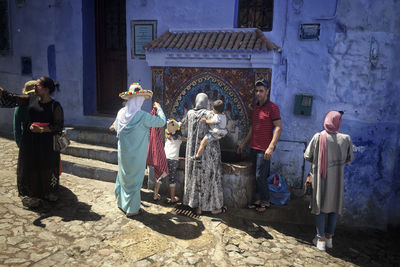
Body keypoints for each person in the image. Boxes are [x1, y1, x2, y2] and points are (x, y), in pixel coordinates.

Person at [0, 77, 63, 207]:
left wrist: (41, 129)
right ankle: (32, 195)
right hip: (30, 141)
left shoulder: (55, 106)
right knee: (31, 166)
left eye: (37, 86)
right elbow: (11, 98)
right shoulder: (30, 100)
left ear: (45, 89)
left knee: (48, 165)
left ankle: (49, 192)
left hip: (47, 142)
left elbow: (58, 126)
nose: (34, 88)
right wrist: (2, 92)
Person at [114, 82, 166, 217]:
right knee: (135, 181)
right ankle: (132, 210)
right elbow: (161, 122)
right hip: (137, 156)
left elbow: (115, 128)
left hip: (123, 153)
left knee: (125, 177)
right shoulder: (143, 116)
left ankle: (122, 204)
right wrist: (159, 109)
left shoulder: (120, 113)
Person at [304, 110, 353, 251]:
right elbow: (349, 160)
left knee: (320, 206)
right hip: (337, 180)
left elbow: (307, 156)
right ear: (338, 122)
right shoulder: (346, 139)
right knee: (334, 207)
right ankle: (329, 238)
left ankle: (320, 240)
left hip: (321, 178)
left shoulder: (319, 136)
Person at [237, 79, 282, 212]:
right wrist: (243, 144)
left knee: (260, 176)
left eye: (261, 91)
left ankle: (265, 200)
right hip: (254, 147)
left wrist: (271, 147)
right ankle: (258, 199)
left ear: (267, 92)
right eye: (256, 91)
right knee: (255, 176)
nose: (258, 93)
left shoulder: (273, 108)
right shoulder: (256, 107)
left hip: (264, 149)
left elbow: (278, 128)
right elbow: (253, 128)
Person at [182, 93, 225, 215]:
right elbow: (218, 131)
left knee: (194, 177)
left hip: (193, 153)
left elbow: (182, 127)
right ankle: (209, 207)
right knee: (209, 179)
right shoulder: (208, 114)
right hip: (208, 154)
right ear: (206, 103)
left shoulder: (190, 113)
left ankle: (196, 207)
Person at [153, 118, 186, 203]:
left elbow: (168, 130)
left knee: (160, 176)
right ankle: (172, 198)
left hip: (164, 158)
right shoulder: (179, 138)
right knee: (172, 178)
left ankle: (155, 195)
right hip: (173, 160)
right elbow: (188, 140)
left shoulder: (167, 136)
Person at [13, 80, 36, 147]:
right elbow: (17, 127)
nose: (33, 95)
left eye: (35, 93)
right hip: (27, 140)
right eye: (31, 94)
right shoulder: (20, 107)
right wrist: (20, 143)